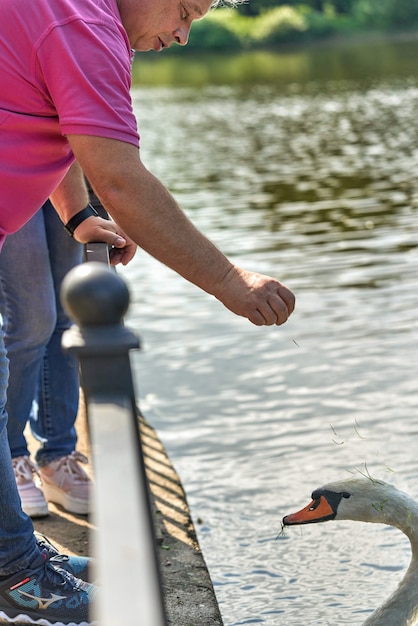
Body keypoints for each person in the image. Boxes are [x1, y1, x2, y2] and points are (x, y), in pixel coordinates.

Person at [0, 0, 296, 624]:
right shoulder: (85, 28)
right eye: (186, 12)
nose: (183, 36)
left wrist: (77, 215)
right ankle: (19, 574)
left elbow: (37, 116)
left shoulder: (69, 12)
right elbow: (124, 180)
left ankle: (18, 555)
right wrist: (228, 280)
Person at [0, 200, 92, 518]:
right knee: (31, 318)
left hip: (67, 165)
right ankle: (9, 457)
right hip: (11, 163)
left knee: (66, 314)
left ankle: (57, 455)